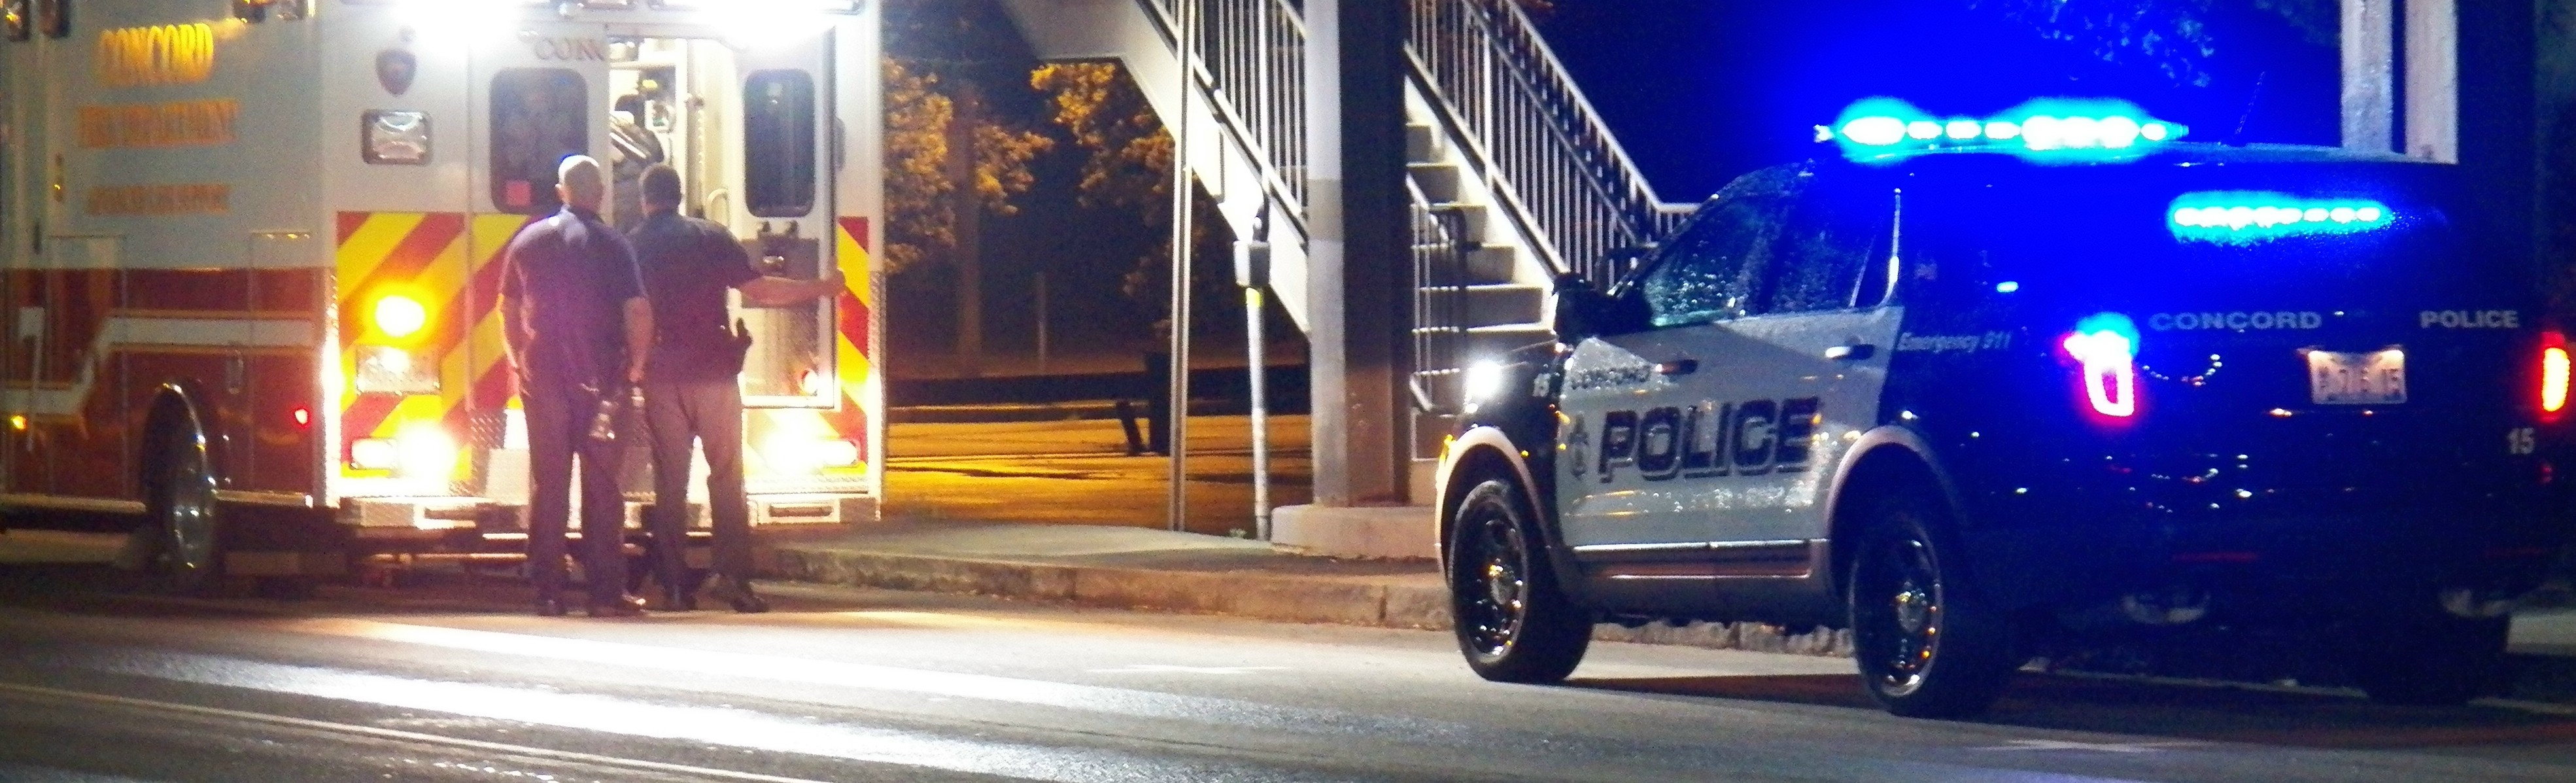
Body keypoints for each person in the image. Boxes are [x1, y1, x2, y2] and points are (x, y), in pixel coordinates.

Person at [628, 164, 844, 613]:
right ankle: (734, 581)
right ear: (680, 195)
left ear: (645, 200)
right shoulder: (711, 236)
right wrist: (822, 288)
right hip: (714, 373)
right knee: (727, 477)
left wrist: (634, 364)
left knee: (671, 482)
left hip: (663, 375)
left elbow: (631, 311)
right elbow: (761, 291)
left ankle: (674, 587)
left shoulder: (632, 245)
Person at [500, 155, 655, 618]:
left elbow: (506, 307)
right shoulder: (614, 244)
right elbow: (637, 309)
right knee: (603, 484)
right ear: (600, 193)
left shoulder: (528, 240)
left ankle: (548, 592)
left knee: (549, 483)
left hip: (543, 378)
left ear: (560, 191)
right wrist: (637, 366)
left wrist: (517, 359)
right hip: (603, 381)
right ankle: (605, 594)